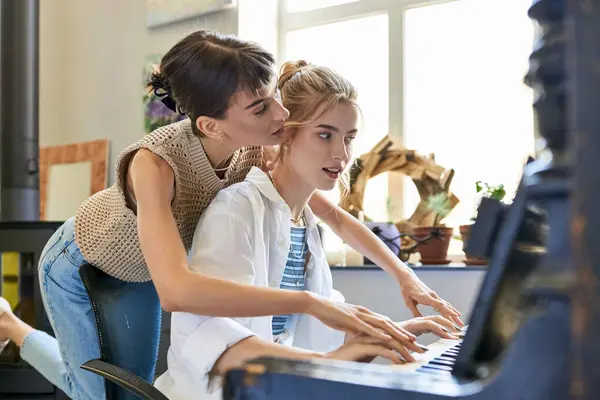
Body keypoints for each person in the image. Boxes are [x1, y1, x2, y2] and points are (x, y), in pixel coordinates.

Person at [0, 30, 461, 400]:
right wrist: (313, 303)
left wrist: (406, 277)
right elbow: (176, 291)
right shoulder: (154, 163)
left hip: (156, 264)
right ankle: (14, 326)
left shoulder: (258, 148)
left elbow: (337, 217)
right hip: (83, 260)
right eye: (261, 107)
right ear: (210, 124)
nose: (281, 115)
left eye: (273, 97)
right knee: (98, 392)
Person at [153, 60, 462, 399]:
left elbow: (318, 330)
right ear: (285, 131)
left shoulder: (304, 220)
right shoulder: (237, 209)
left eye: (349, 138)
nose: (341, 155)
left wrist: (390, 333)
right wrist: (324, 363)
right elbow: (211, 342)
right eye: (325, 135)